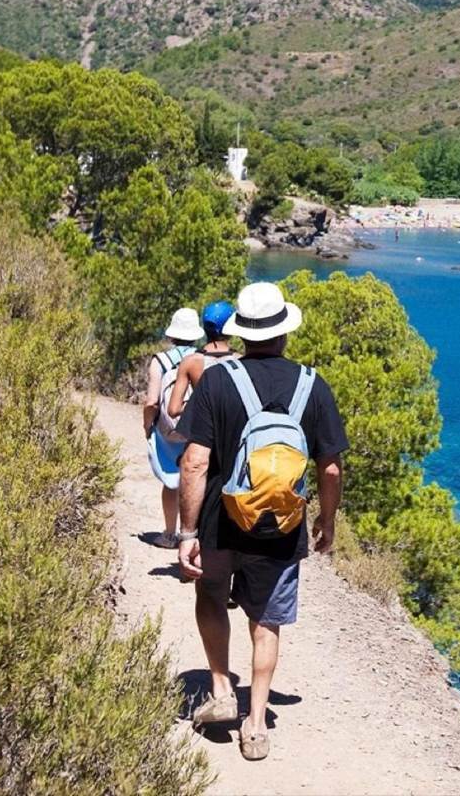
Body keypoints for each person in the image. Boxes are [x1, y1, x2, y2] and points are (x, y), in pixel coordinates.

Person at [175, 281, 347, 762]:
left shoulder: (217, 381)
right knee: (266, 618)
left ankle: (220, 690)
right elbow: (330, 465)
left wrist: (187, 533)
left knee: (210, 594)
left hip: (218, 521)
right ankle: (256, 724)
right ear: (284, 333)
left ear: (243, 333)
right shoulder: (313, 385)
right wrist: (326, 521)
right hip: (282, 527)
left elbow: (194, 462)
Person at [145, 307, 205, 548]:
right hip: (197, 428)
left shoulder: (160, 361)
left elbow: (151, 401)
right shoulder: (202, 359)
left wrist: (148, 426)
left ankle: (170, 535)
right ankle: (192, 534)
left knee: (171, 481)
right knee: (197, 478)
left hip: (168, 429)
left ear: (171, 334)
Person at [166, 300, 238, 422]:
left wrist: (202, 404)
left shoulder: (190, 362)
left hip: (203, 428)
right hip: (232, 430)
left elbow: (174, 409)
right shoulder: (241, 360)